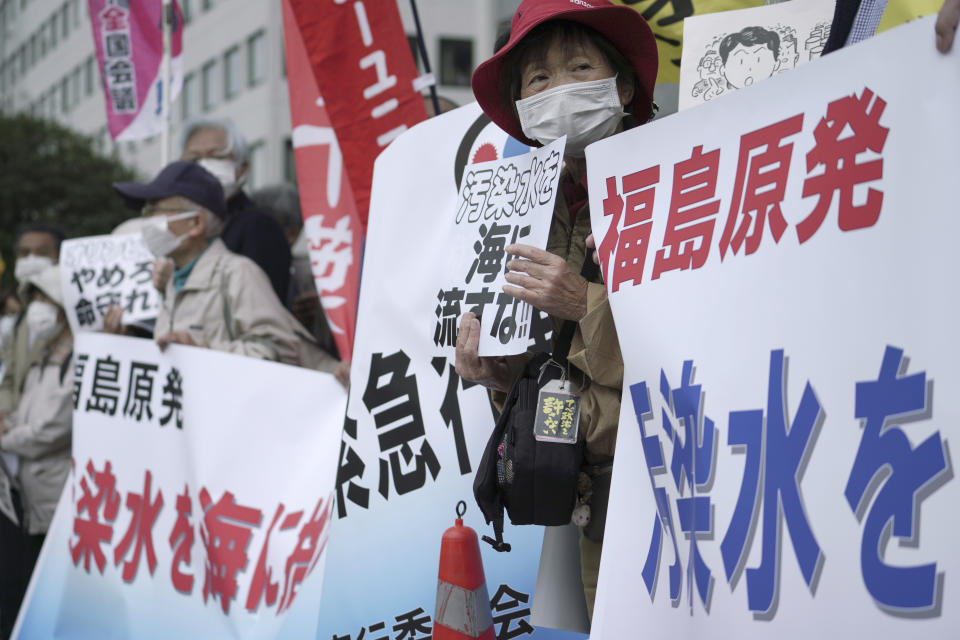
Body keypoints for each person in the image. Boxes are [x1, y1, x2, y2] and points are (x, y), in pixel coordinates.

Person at [459, 0, 657, 617]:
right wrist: (500, 376)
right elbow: (550, 371)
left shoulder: (678, 178)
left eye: (578, 67)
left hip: (662, 492)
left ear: (621, 84)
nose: (560, 90)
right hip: (571, 498)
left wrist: (586, 303)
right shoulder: (529, 211)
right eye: (539, 80)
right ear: (522, 108)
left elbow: (696, 350)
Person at [110, 161, 336, 373]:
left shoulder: (237, 274)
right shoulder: (172, 281)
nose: (147, 222)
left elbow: (283, 351)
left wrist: (204, 350)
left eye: (155, 211)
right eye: (146, 213)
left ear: (196, 223)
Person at [0, 265, 73, 637]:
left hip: (55, 497)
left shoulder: (77, 358)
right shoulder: (46, 353)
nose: (38, 308)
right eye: (36, 299)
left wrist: (5, 437)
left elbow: (49, 431)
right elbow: (26, 414)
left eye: (46, 299)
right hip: (32, 495)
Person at [179, 117, 292, 304]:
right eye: (194, 159)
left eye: (216, 156)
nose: (204, 165)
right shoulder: (183, 227)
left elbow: (261, 306)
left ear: (242, 168)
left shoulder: (258, 226)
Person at [251, 183, 339, 359]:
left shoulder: (318, 277)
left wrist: (319, 315)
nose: (254, 236)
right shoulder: (243, 269)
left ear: (292, 233)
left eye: (264, 227)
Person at [0, 224, 65, 417]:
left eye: (41, 252)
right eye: (24, 253)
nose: (31, 259)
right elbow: (10, 377)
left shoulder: (69, 323)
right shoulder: (20, 320)